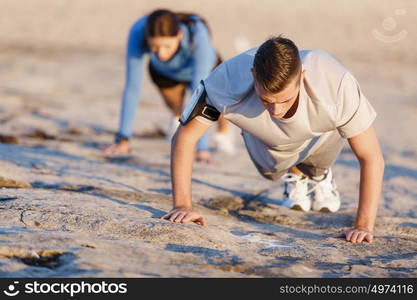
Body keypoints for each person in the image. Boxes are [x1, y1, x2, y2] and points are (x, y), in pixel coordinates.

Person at [162, 36, 385, 244]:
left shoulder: (334, 82)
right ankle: (294, 173)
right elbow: (184, 138)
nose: (276, 110)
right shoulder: (226, 78)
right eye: (266, 100)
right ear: (253, 75)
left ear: (303, 76)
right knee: (270, 172)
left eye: (285, 100)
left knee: (325, 148)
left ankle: (318, 175)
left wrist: (363, 226)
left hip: (319, 135)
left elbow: (371, 157)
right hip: (264, 141)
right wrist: (182, 205)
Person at [104, 9, 235, 162]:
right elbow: (132, 88)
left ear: (179, 34)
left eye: (167, 46)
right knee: (175, 108)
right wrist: (122, 140)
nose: (161, 54)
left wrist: (202, 150)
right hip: (166, 73)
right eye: (154, 47)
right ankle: (177, 122)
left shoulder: (197, 32)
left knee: (216, 104)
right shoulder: (138, 32)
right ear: (147, 38)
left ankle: (223, 133)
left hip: (206, 69)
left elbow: (200, 93)